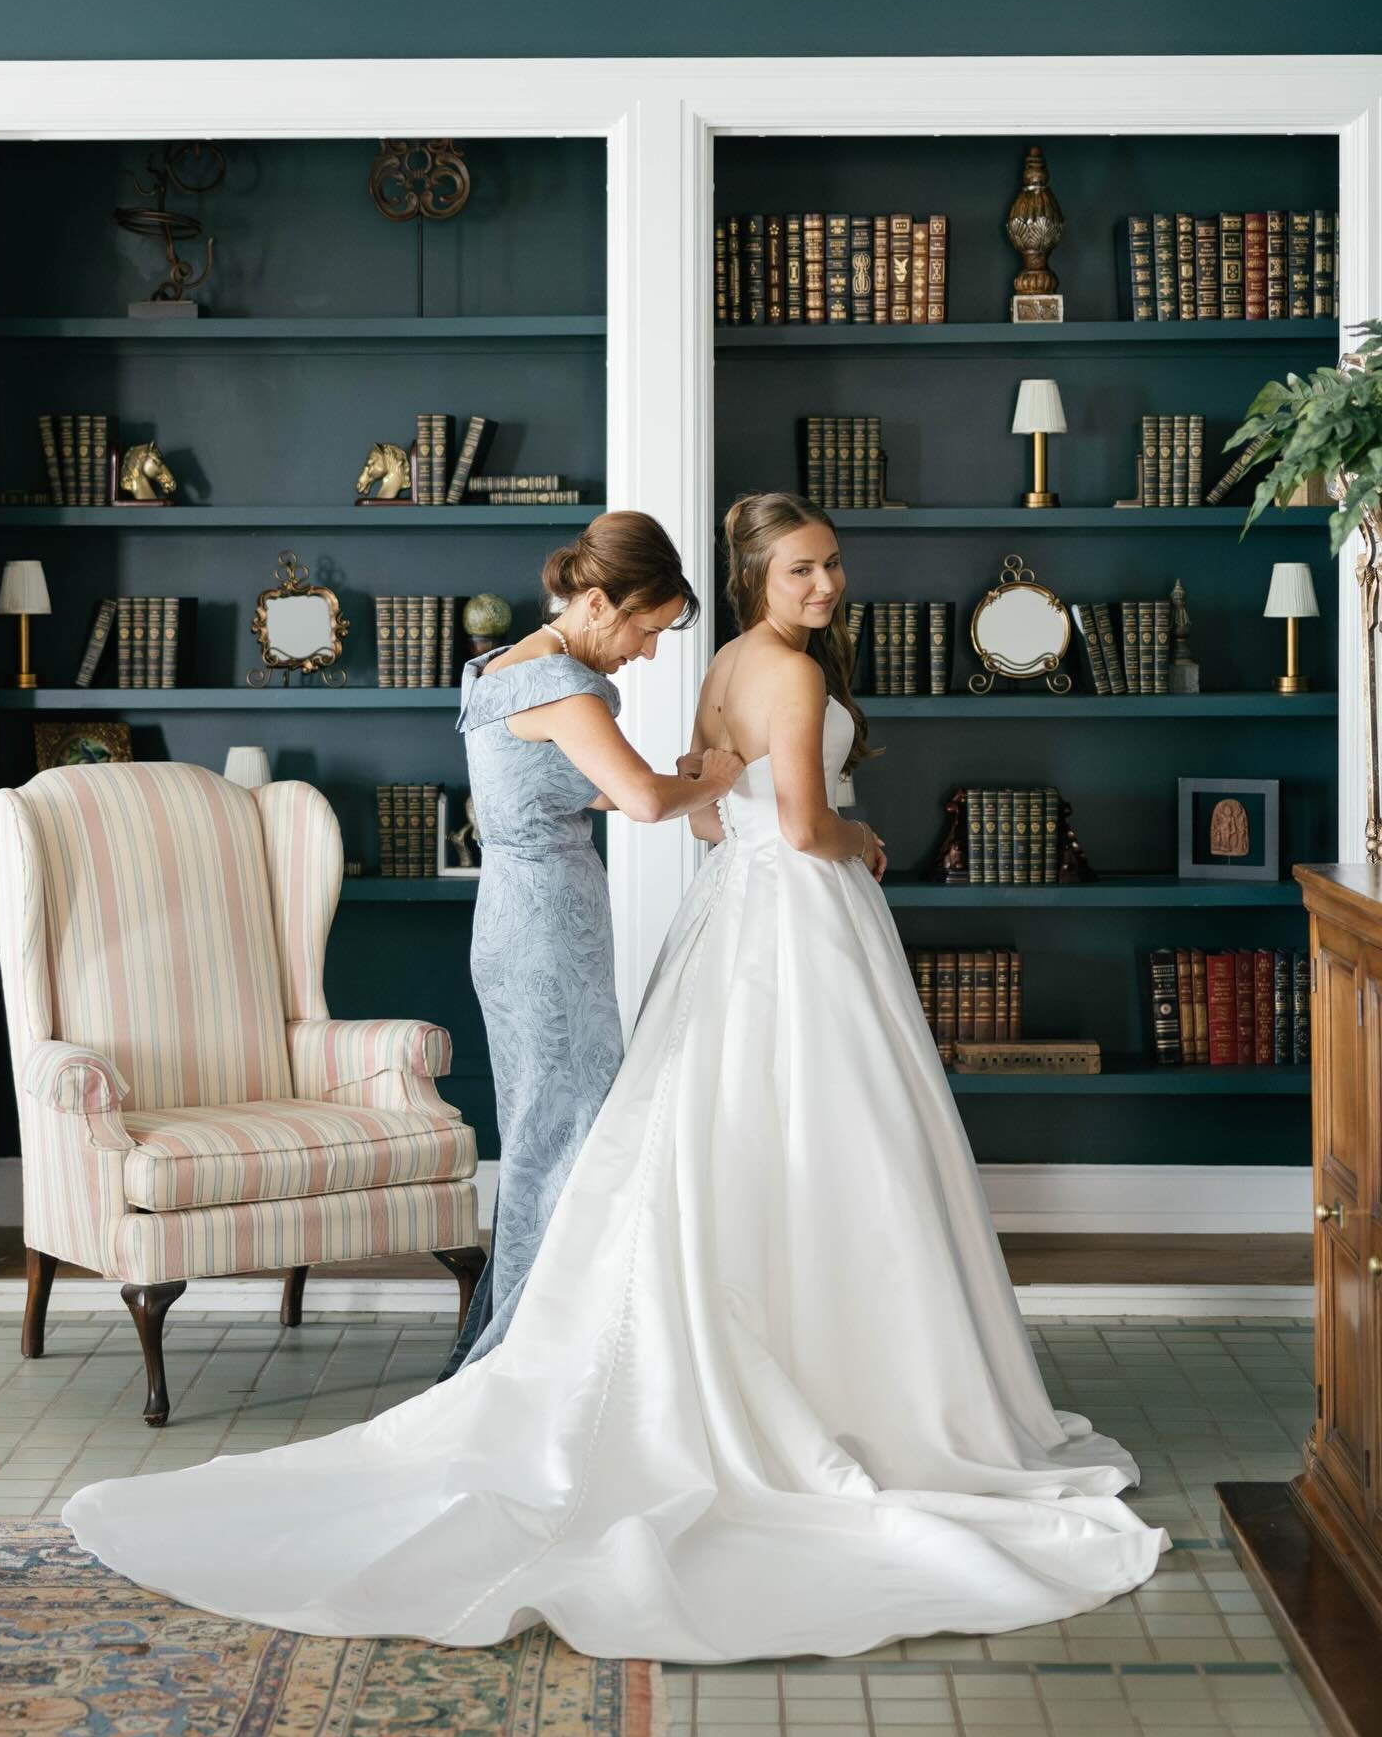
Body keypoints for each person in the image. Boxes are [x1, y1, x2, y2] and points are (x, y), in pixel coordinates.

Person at [62, 490, 1168, 1661]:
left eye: (832, 565)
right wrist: (859, 836)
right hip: (607, 925)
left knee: (626, 1141)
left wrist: (716, 783)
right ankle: (523, 1355)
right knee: (606, 1143)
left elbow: (701, 819)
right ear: (613, 599)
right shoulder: (640, 680)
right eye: (801, 568)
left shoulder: (554, 668)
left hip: (643, 914)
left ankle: (533, 1348)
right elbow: (736, 815)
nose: (824, 585)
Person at [436, 510, 742, 1380]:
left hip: (516, 917)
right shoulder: (564, 689)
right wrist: (718, 775)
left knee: (546, 1125)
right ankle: (535, 1341)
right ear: (599, 602)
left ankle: (535, 1324)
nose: (648, 651)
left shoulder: (503, 668)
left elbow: (591, 788)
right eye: (646, 629)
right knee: (566, 1127)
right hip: (544, 926)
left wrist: (679, 784)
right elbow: (639, 802)